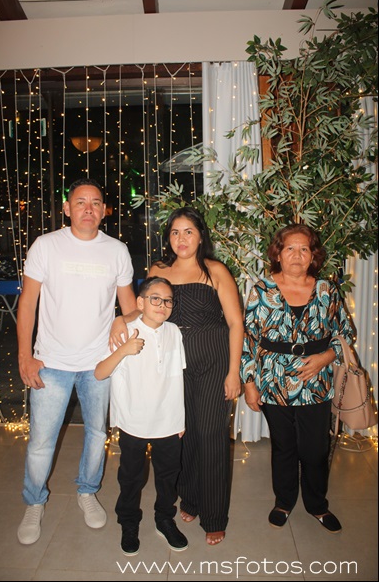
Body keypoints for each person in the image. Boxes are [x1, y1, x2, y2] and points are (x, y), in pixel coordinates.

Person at [112, 207, 244, 546]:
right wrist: (120, 319)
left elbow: (235, 323)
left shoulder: (215, 270)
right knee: (181, 435)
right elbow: (144, 307)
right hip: (172, 363)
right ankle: (190, 498)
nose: (181, 238)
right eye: (174, 232)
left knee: (211, 435)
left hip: (212, 360)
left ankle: (214, 516)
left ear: (200, 236)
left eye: (188, 231)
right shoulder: (159, 269)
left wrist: (234, 372)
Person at [16, 177, 137, 545]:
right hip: (50, 362)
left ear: (104, 211)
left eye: (96, 202)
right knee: (41, 441)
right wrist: (25, 356)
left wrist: (122, 321)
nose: (88, 208)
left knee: (97, 434)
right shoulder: (46, 245)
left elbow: (130, 308)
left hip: (98, 363)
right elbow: (27, 303)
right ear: (67, 209)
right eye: (80, 202)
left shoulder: (117, 251)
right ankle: (34, 502)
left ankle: (87, 490)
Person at [241, 223, 353, 533]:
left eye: (304, 249)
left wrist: (326, 357)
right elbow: (249, 340)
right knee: (283, 446)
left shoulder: (326, 290)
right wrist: (248, 383)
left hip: (316, 382)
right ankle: (284, 501)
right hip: (273, 381)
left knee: (316, 449)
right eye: (290, 248)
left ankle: (317, 505)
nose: (297, 254)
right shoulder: (261, 290)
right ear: (278, 254)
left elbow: (344, 333)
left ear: (313, 255)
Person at [95, 276, 188, 556]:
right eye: (155, 298)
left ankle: (164, 519)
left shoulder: (174, 332)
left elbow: (176, 377)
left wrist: (180, 419)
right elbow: (100, 372)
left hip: (168, 421)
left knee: (168, 476)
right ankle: (129, 521)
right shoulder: (124, 332)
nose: (162, 305)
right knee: (131, 477)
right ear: (140, 302)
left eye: (168, 300)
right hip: (132, 421)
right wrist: (124, 350)